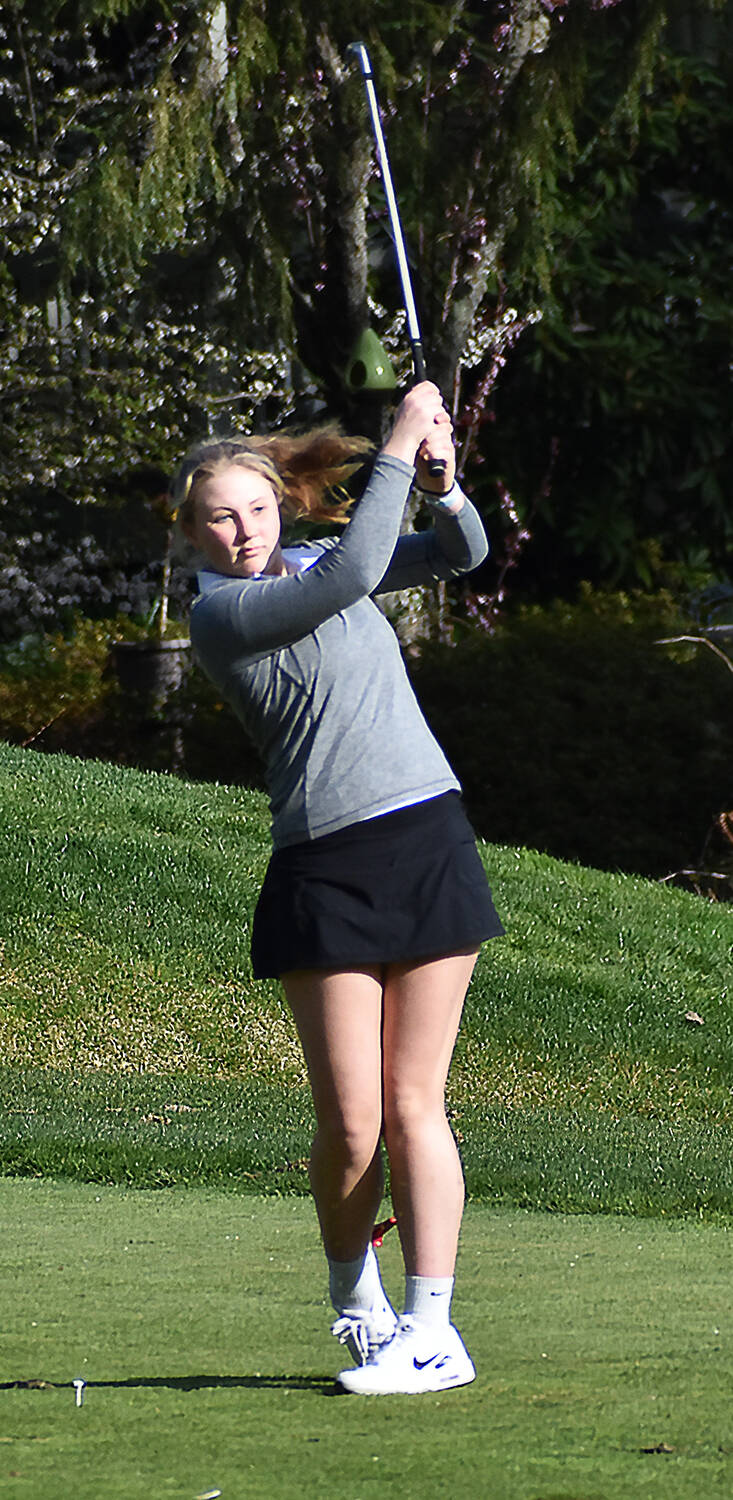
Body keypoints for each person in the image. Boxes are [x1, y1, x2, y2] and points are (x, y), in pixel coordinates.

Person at [174, 382, 504, 1395]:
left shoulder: (315, 559)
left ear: (281, 503)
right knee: (351, 1122)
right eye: (220, 516)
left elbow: (463, 557)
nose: (243, 530)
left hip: (426, 834)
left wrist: (443, 490)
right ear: (190, 532)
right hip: (325, 865)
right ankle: (354, 1299)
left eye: (257, 508)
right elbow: (362, 564)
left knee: (415, 1105)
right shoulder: (225, 615)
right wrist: (403, 441)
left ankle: (433, 1330)